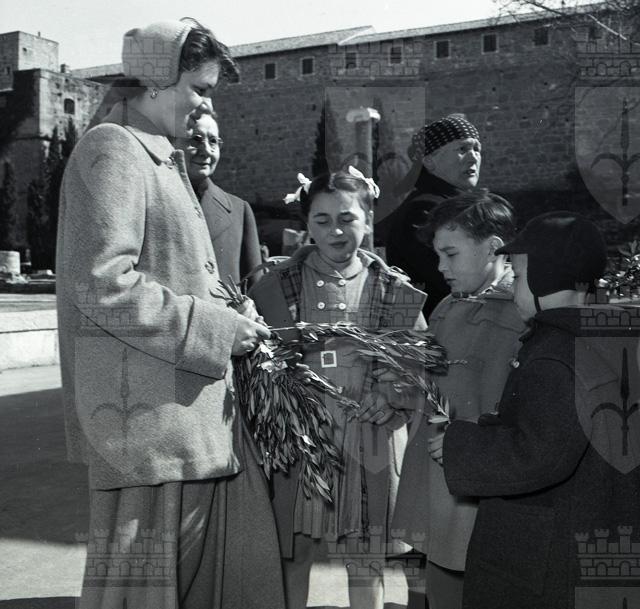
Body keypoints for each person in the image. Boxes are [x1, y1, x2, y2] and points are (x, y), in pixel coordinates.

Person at [56, 19, 284, 609]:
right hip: (147, 425)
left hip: (183, 418)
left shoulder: (159, 157)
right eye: (200, 89)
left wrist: (231, 309)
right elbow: (101, 283)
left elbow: (172, 276)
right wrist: (216, 329)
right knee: (140, 592)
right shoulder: (114, 148)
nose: (206, 104)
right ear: (156, 81)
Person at [432, 212, 640, 608]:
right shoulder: (610, 338)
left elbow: (539, 453)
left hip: (547, 553)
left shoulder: (554, 356)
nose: (513, 288)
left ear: (544, 278)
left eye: (519, 276)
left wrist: (460, 444)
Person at [249, 167, 427, 609]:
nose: (336, 231)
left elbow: (420, 362)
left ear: (368, 219)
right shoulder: (276, 287)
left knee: (365, 558)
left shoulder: (394, 290)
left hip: (370, 438)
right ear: (307, 224)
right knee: (295, 550)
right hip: (301, 441)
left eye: (347, 219)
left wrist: (392, 397)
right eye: (323, 220)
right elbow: (258, 363)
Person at [392, 191, 526, 609]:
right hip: (441, 487)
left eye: (450, 254)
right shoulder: (448, 307)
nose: (440, 267)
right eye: (437, 255)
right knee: (440, 584)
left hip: (481, 490)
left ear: (493, 248)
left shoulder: (520, 312)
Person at [385, 115, 482, 318]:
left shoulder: (454, 205)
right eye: (462, 149)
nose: (474, 158)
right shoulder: (424, 211)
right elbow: (454, 281)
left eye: (477, 149)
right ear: (429, 161)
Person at [176, 110, 263, 289]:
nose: (206, 151)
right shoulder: (152, 201)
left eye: (213, 141)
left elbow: (256, 291)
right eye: (196, 139)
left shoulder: (239, 210)